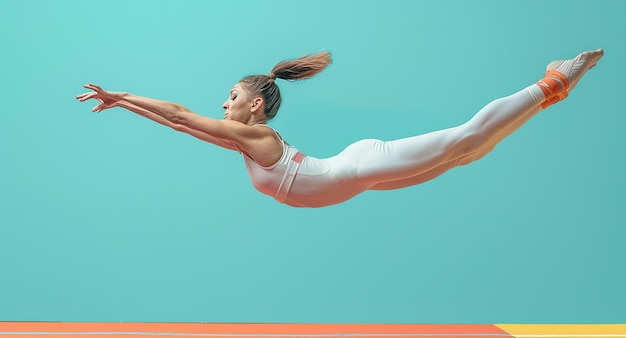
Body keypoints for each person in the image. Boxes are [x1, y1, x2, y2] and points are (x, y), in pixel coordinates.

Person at [76, 49, 604, 208]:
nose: (223, 103)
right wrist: (125, 109)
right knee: (464, 155)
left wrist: (121, 93)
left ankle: (552, 83)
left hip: (357, 166)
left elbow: (178, 112)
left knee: (464, 140)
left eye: (231, 97)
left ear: (256, 107)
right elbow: (180, 126)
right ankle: (540, 102)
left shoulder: (254, 137)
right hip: (356, 174)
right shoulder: (243, 142)